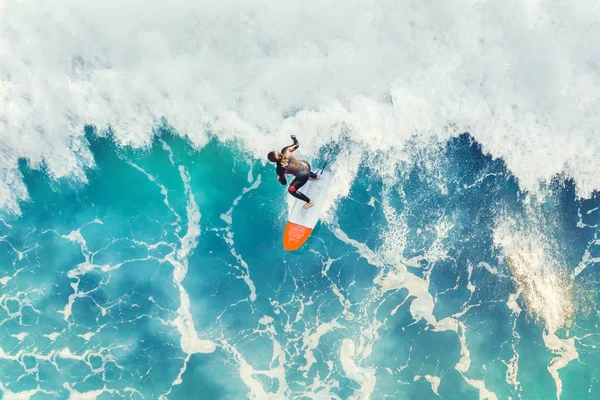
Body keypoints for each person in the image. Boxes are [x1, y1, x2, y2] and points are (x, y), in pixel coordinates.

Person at [268, 135, 319, 209]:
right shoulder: (285, 150)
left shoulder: (279, 169)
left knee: (291, 190)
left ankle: (309, 202)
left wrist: (279, 178)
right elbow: (296, 144)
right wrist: (294, 138)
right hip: (306, 165)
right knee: (300, 170)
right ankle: (315, 176)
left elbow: (284, 182)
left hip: (304, 176)